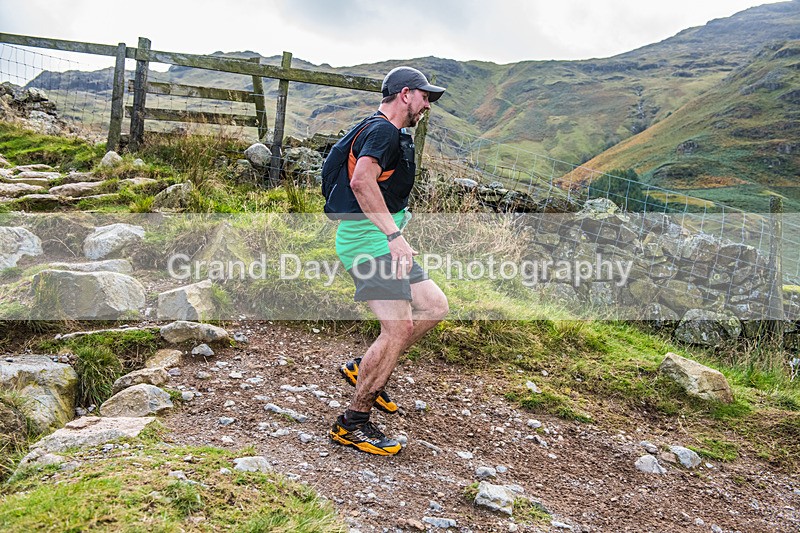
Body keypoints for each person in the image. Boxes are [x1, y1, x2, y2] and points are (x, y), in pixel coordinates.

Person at [327, 67, 450, 456]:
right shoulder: (382, 131)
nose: (427, 105)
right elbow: (361, 182)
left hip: (380, 239)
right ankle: (353, 424)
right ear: (405, 94)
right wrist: (394, 237)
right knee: (397, 329)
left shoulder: (389, 132)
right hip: (370, 242)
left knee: (434, 306)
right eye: (425, 97)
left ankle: (363, 367)